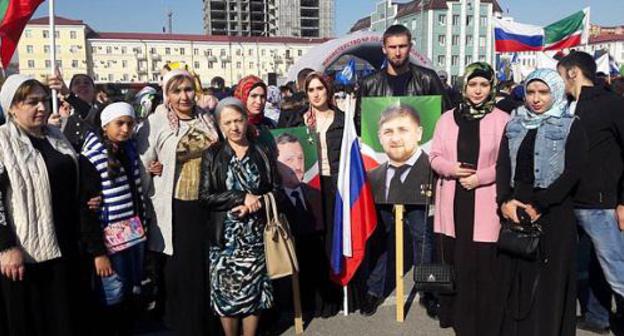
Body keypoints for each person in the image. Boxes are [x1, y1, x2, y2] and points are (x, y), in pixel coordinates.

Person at [496, 68, 588, 335]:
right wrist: (504, 201)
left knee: (550, 281)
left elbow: (574, 171)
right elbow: (503, 165)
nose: (536, 99)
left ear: (555, 92)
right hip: (516, 209)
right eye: (531, 92)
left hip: (553, 212)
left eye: (543, 92)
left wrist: (541, 205)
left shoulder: (571, 124)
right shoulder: (514, 123)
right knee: (517, 280)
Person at [429, 63, 510, 335]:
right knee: (455, 263)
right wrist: (451, 169)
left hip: (484, 202)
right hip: (452, 201)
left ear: (491, 87)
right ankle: (455, 317)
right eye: (473, 84)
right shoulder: (447, 118)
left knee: (482, 266)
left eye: (484, 85)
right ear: (464, 86)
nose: (478, 90)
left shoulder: (503, 119)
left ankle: (482, 322)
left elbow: (506, 163)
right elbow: (435, 157)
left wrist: (480, 178)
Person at [137, 69, 220, 336]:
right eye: (177, 91)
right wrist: (152, 171)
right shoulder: (157, 121)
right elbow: (142, 161)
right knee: (181, 267)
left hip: (206, 202)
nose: (184, 96)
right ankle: (183, 322)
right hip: (176, 205)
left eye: (188, 89)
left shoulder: (206, 118)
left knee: (204, 264)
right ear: (167, 95)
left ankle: (207, 318)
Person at [0, 75, 80, 335]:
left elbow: (75, 169)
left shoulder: (55, 135)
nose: (43, 107)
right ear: (12, 106)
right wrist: (6, 247)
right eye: (32, 102)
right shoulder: (2, 141)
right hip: (27, 251)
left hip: (65, 243)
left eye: (44, 100)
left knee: (65, 318)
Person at [199, 97, 280, 336]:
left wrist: (256, 203)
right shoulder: (212, 155)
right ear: (220, 126)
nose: (234, 127)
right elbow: (204, 197)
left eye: (238, 120)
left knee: (254, 294)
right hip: (225, 240)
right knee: (226, 297)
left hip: (255, 236)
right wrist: (240, 196)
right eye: (227, 123)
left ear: (246, 121)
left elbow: (276, 190)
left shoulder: (262, 152)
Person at [557, 51, 624, 334]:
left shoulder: (612, 105)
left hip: (601, 204)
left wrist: (623, 201)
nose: (558, 82)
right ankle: (597, 317)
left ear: (572, 73)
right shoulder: (566, 106)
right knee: (586, 268)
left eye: (560, 75)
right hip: (571, 202)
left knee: (617, 270)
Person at [79, 102, 147, 335]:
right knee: (112, 292)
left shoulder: (127, 151)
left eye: (129, 123)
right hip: (108, 240)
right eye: (119, 124)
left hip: (131, 233)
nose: (125, 129)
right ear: (105, 125)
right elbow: (88, 212)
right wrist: (98, 253)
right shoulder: (92, 158)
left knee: (130, 288)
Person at [362, 104, 435, 316]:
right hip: (382, 201)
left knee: (422, 238)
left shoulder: (427, 170)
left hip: (418, 198)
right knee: (379, 238)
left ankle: (426, 290)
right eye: (388, 131)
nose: (395, 138)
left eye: (403, 130)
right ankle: (374, 290)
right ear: (380, 136)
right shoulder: (374, 176)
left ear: (419, 133)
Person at [355, 24, 450, 132]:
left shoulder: (428, 79)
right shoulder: (369, 83)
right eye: (392, 47)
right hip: (383, 146)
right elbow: (360, 124)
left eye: (402, 46)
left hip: (421, 145)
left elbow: (446, 117)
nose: (397, 53)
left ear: (410, 47)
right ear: (384, 49)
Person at [274, 132, 326, 315]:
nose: (297, 166)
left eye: (300, 158)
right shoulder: (274, 202)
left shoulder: (316, 196)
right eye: (289, 160)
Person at [48, 72, 100, 151]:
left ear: (94, 91)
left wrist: (68, 95)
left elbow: (90, 114)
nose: (82, 85)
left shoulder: (101, 111)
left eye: (86, 83)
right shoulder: (58, 113)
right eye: (77, 83)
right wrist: (49, 127)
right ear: (71, 89)